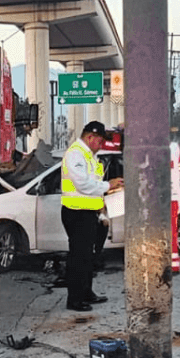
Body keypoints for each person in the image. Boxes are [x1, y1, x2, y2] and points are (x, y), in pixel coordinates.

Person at [61, 121, 123, 311]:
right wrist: (108, 185)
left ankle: (86, 293)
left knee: (88, 257)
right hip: (77, 213)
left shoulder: (89, 156)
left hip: (89, 213)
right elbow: (83, 185)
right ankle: (75, 299)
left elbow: (93, 186)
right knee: (79, 258)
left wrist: (102, 209)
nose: (102, 145)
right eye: (100, 141)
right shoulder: (75, 155)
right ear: (90, 137)